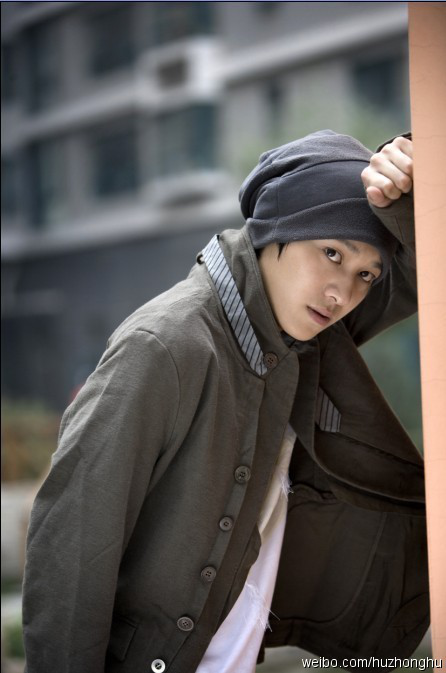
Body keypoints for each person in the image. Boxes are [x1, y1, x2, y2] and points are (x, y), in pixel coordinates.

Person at [22, 130, 428, 673]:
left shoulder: (308, 334)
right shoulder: (166, 345)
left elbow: (424, 271)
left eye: (364, 275)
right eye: (331, 254)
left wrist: (409, 177)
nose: (342, 292)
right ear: (279, 228)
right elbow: (71, 546)